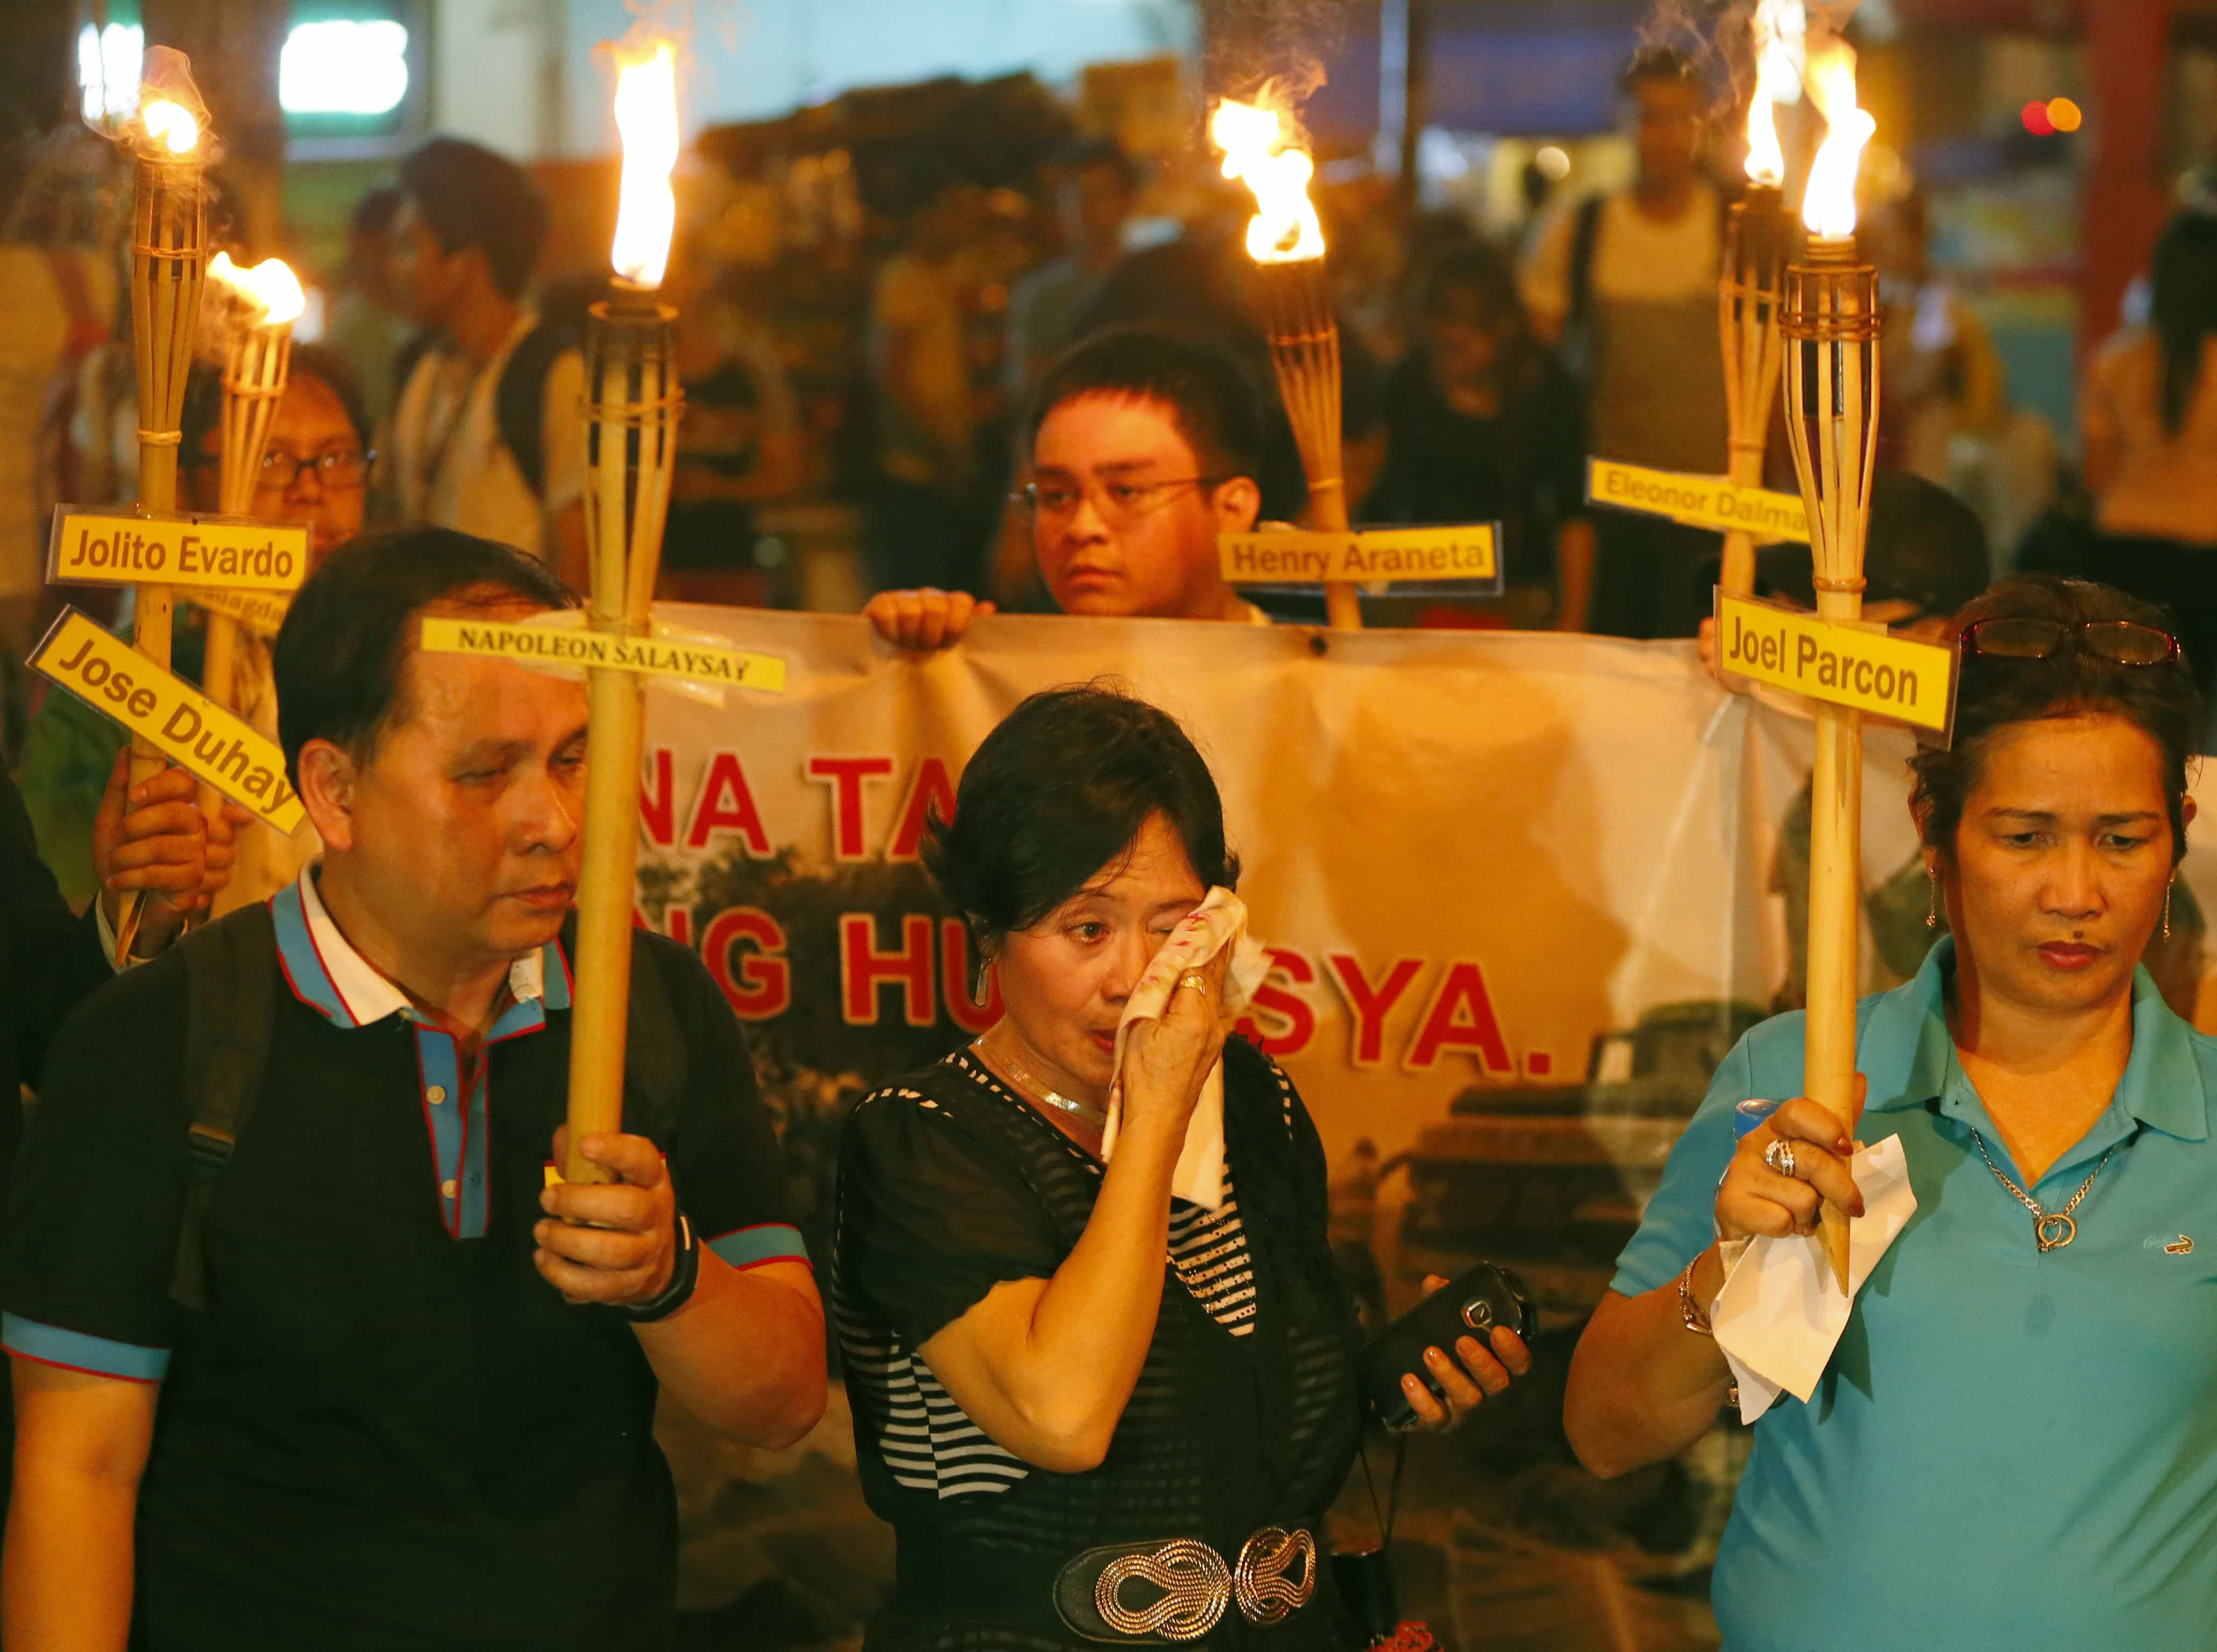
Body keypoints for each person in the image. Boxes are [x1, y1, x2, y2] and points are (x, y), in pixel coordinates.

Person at [1, 526, 825, 1651]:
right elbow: (77, 1472)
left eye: (575, 758)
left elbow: (781, 1403)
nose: (552, 822)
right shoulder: (159, 1044)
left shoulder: (651, 1008)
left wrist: (670, 1276)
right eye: (487, 773)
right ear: (333, 790)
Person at [1567, 574, 2217, 1648]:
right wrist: (1726, 1270)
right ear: (1934, 828)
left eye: (2120, 839)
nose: (2075, 895)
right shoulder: (1800, 1078)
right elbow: (1605, 1432)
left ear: (2180, 832)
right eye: (2023, 838)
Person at [830, 685, 1529, 1649]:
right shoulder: (921, 1136)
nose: (1131, 978)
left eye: (1171, 926)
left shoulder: (1253, 1102)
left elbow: (1246, 1423)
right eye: (1086, 928)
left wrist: (1402, 1387)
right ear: (987, 931)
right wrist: (1154, 1108)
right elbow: (1064, 1415)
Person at [16, 346, 370, 912]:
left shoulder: (394, 666)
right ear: (179, 490)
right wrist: (143, 901)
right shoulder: (110, 694)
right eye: (269, 459)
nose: (310, 490)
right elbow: (51, 930)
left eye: (337, 459)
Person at [864, 326, 1267, 648]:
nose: (1082, 528)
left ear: (1231, 509)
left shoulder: (1305, 687)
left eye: (1126, 492)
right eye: (1057, 496)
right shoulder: (1006, 681)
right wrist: (907, 651)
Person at [1520, 47, 1728, 638]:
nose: (1662, 135)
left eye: (1679, 117)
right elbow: (1546, 361)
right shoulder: (1578, 229)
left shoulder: (1735, 229)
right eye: (1648, 116)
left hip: (1715, 508)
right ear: (1623, 121)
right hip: (1611, 511)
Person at [387, 137, 588, 583]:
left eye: (408, 248)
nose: (392, 268)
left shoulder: (550, 371)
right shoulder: (418, 365)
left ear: (466, 263)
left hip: (513, 643)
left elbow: (578, 548)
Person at [1363, 242, 1595, 630]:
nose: (1451, 338)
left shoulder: (1546, 391)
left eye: (1467, 326)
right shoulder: (1408, 385)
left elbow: (1574, 515)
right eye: (1441, 323)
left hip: (1519, 598)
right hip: (1416, 597)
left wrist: (1572, 620)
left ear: (1504, 328)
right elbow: (1368, 480)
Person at [2074, 209, 2217, 703]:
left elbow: (2096, 475)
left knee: (2133, 699)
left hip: (2126, 552)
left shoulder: (2114, 363)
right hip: (2209, 555)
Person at [864, 161, 991, 597]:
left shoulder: (958, 271)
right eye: (951, 212)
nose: (961, 223)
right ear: (925, 217)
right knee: (919, 592)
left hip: (954, 458)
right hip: (916, 468)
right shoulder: (903, 278)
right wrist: (942, 445)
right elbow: (891, 375)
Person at [1003, 140, 1139, 402]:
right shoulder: (1040, 294)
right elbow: (1026, 382)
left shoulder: (1153, 282)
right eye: (1074, 196)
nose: (1085, 209)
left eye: (1099, 194)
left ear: (1126, 202)